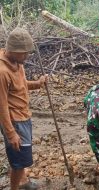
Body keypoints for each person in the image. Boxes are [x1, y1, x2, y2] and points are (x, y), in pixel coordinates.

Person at [0, 28, 48, 190]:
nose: (27, 57)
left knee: (21, 155)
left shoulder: (16, 62)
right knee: (19, 159)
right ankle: (15, 187)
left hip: (23, 115)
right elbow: (1, 105)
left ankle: (23, 182)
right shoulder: (2, 72)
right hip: (14, 121)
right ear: (13, 51)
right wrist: (11, 133)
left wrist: (37, 84)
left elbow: (20, 85)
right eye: (24, 53)